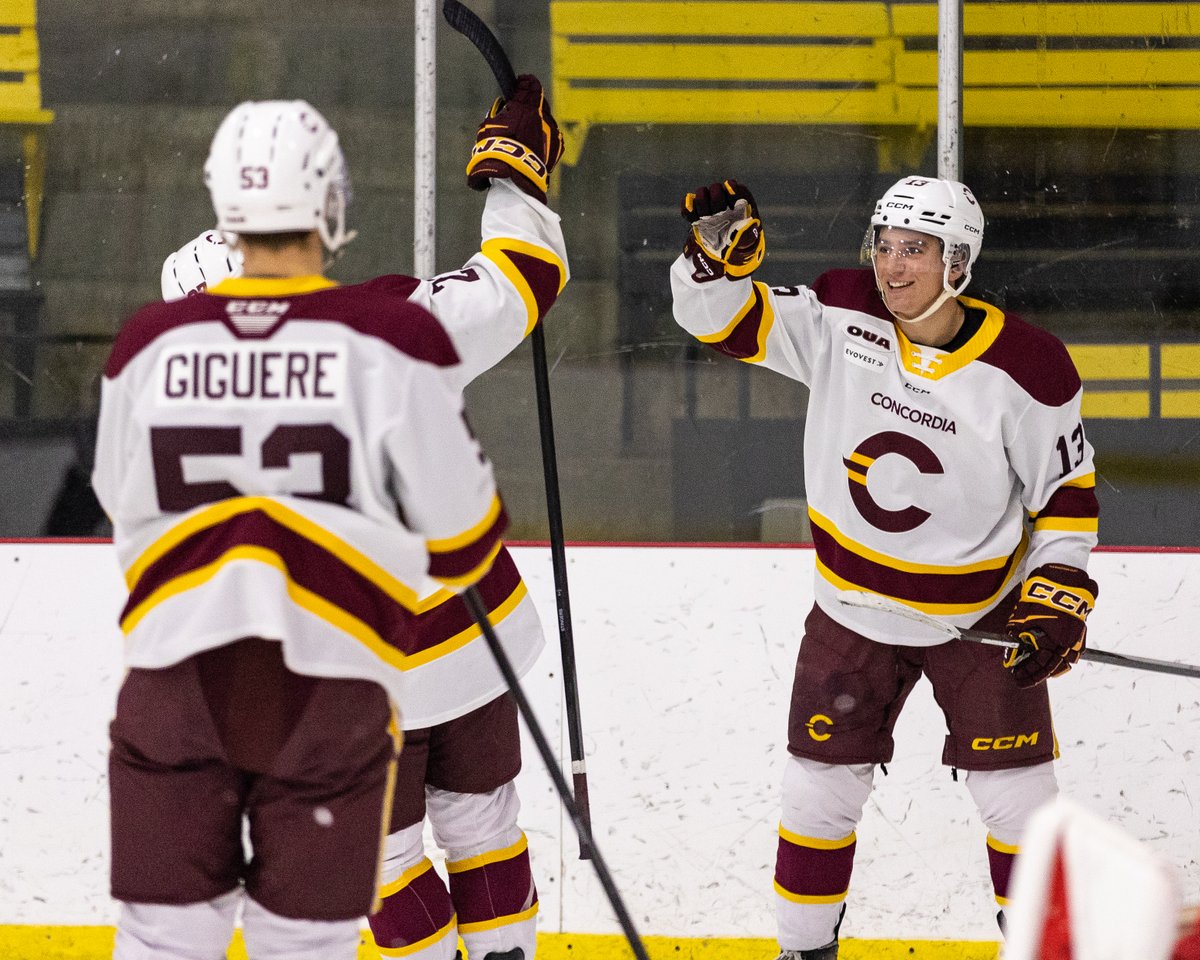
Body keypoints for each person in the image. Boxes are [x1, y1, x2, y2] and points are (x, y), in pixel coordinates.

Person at [159, 74, 568, 960]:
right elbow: (516, 288)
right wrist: (516, 178)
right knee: (487, 826)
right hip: (471, 636)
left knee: (381, 862)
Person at [671, 176, 1100, 959]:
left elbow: (1065, 496)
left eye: (917, 250)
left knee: (1021, 806)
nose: (893, 268)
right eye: (885, 245)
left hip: (980, 621)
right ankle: (803, 953)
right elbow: (720, 322)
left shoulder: (1029, 367)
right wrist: (712, 266)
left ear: (960, 261)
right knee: (816, 796)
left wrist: (1059, 591)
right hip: (850, 612)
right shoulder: (842, 313)